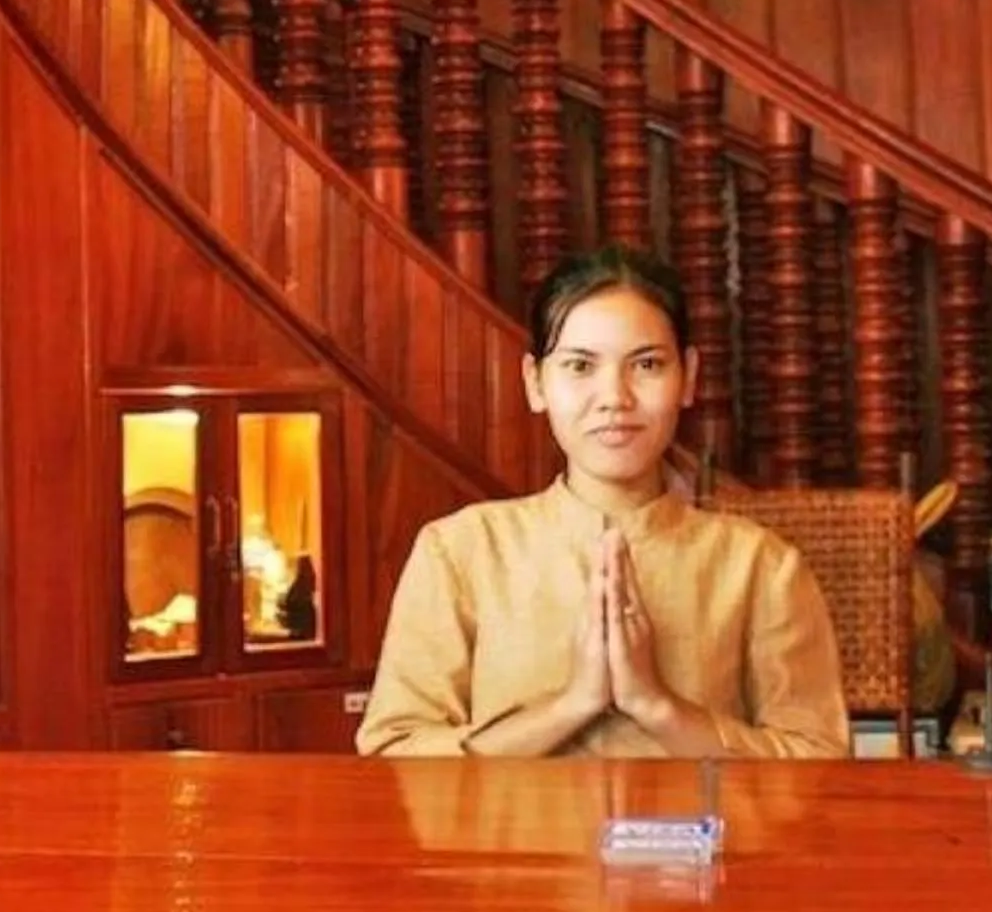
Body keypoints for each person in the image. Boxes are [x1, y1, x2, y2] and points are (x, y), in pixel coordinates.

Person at [356, 246, 850, 758]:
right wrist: (571, 706)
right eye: (580, 366)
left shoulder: (761, 566)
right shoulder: (460, 552)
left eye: (647, 364)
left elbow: (818, 764)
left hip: (710, 841)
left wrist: (656, 706)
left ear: (690, 377)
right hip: (513, 841)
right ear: (535, 382)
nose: (614, 396)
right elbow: (395, 754)